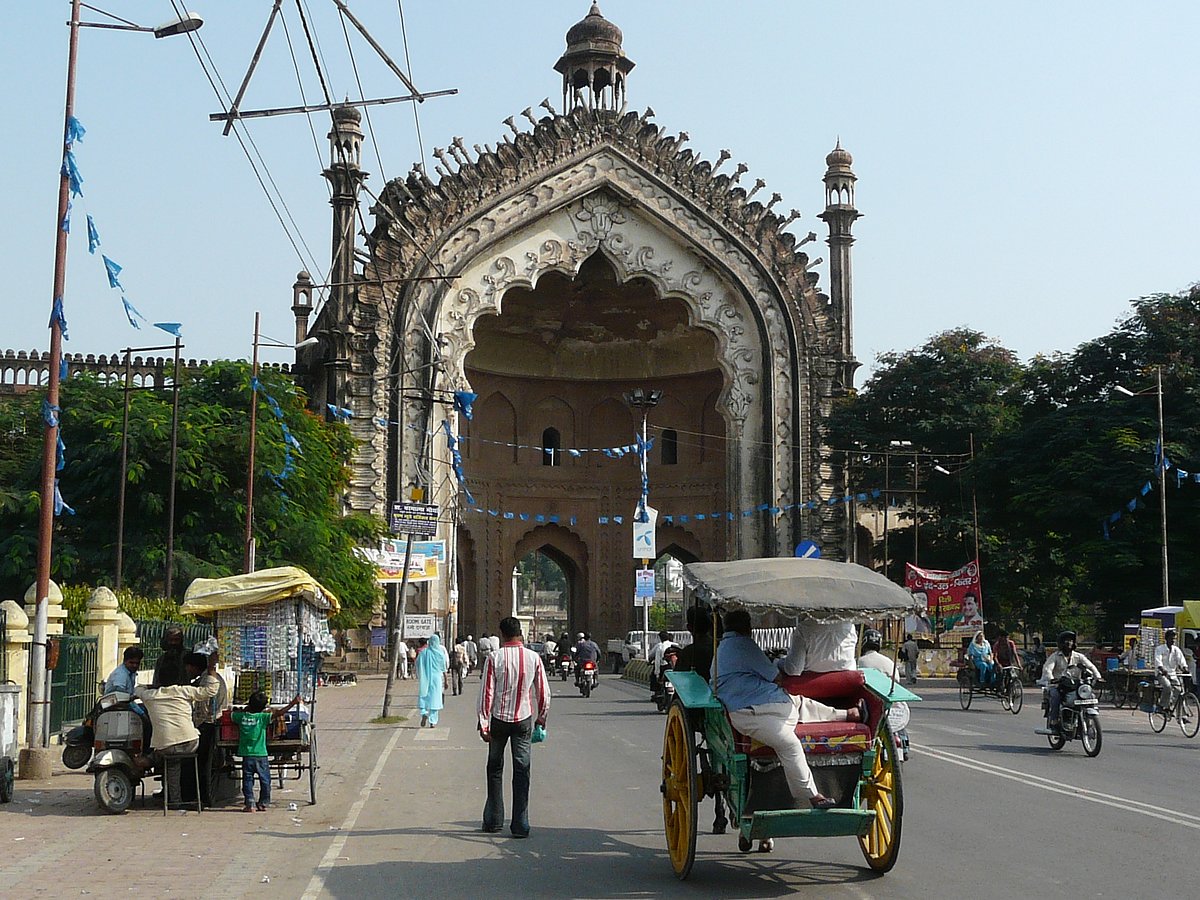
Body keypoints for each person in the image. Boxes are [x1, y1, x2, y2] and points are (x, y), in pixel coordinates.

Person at [714, 610, 862, 815]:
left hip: (766, 705)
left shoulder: (725, 648)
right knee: (790, 743)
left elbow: (789, 670)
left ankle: (847, 714)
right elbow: (776, 676)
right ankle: (813, 796)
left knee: (800, 704)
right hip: (755, 711)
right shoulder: (743, 645)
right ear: (747, 627)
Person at [477, 616, 551, 838]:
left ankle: (493, 820)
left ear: (502, 634)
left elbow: (486, 694)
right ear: (520, 633)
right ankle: (520, 824)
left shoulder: (494, 658)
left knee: (495, 769)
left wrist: (483, 723)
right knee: (522, 771)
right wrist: (541, 718)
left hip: (499, 720)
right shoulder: (533, 658)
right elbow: (544, 693)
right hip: (523, 720)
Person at [135, 653, 219, 806]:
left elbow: (137, 689)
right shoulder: (184, 691)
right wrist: (212, 668)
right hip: (190, 742)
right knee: (177, 761)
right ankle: (183, 797)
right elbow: (210, 691)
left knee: (169, 762)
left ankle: (173, 799)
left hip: (166, 746)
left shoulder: (149, 695)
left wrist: (152, 686)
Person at [232, 690, 301, 812]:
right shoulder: (263, 717)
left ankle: (250, 804)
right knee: (265, 780)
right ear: (263, 707)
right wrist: (293, 703)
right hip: (261, 755)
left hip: (246, 755)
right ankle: (263, 803)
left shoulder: (241, 717)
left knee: (247, 780)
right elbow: (280, 713)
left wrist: (245, 709)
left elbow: (231, 715)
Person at [1040, 630, 1102, 731]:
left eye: (1071, 640)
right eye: (1066, 640)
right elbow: (1047, 668)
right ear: (1061, 643)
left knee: (1090, 695)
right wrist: (1051, 679)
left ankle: (1089, 719)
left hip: (1075, 685)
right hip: (1058, 685)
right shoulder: (1055, 656)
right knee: (1055, 697)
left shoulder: (1078, 656)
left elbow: (1090, 666)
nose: (1069, 643)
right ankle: (1054, 721)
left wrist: (1098, 677)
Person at [192, 651, 229, 808]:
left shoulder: (208, 680)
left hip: (208, 722)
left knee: (199, 760)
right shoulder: (211, 678)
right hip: (214, 718)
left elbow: (202, 709)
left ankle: (200, 794)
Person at [777, 621, 857, 676]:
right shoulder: (849, 627)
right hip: (846, 683)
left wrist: (778, 662)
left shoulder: (804, 628)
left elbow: (794, 670)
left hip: (811, 685)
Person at [418, 634, 450, 727]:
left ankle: (424, 713)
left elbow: (418, 664)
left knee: (424, 696)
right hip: (437, 678)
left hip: (426, 678)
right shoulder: (440, 654)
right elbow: (444, 669)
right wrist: (446, 680)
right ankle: (433, 721)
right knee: (435, 699)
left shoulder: (424, 653)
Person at [1154, 629, 1188, 714]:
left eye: (1174, 639)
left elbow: (1181, 660)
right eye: (1171, 638)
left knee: (1180, 691)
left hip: (1173, 674)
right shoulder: (1160, 649)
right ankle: (1162, 706)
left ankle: (1181, 715)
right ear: (1166, 639)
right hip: (1162, 674)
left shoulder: (1176, 650)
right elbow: (1158, 661)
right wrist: (1162, 669)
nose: (1173, 640)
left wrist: (1185, 668)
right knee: (1167, 686)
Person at [648, 630, 677, 701]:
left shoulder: (660, 646)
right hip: (675, 669)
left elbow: (657, 661)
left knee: (654, 677)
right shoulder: (675, 645)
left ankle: (657, 691)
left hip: (663, 668)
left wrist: (657, 674)